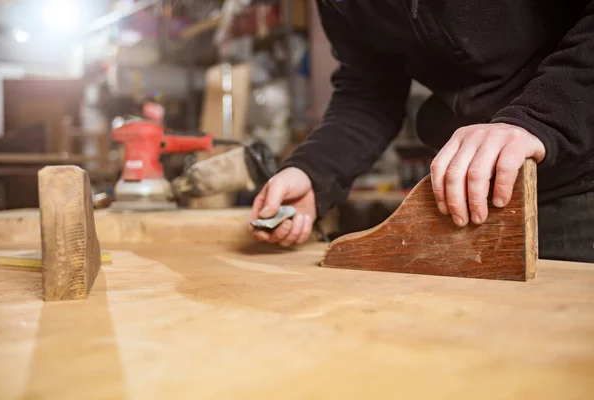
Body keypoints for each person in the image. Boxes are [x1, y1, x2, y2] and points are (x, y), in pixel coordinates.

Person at [248, 1, 594, 263]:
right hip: (471, 207)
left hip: (581, 185)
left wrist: (538, 117)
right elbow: (370, 89)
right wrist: (315, 171)